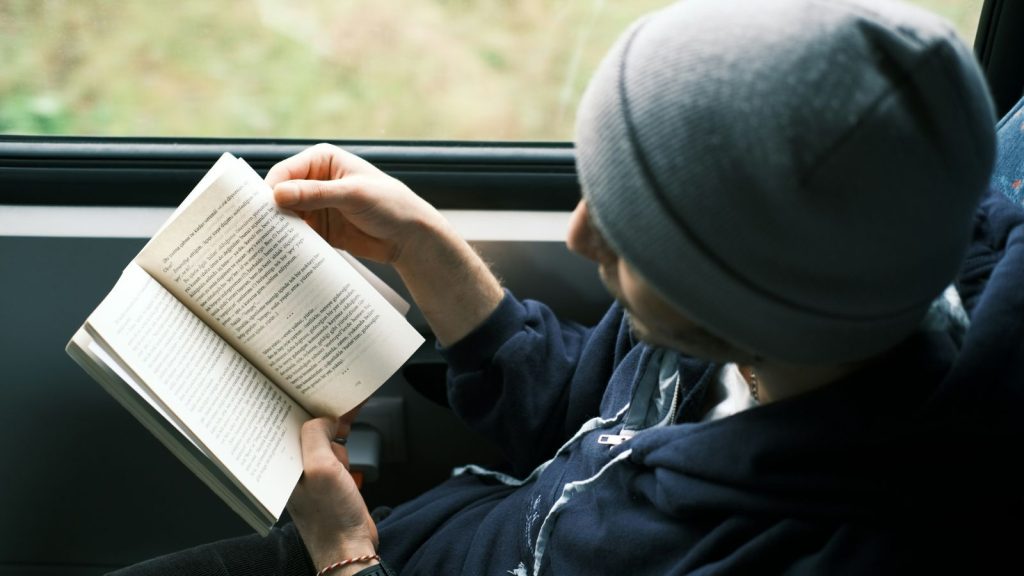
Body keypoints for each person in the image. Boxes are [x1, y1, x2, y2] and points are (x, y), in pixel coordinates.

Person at [113, 0, 1024, 574]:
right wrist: (431, 251)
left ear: (746, 307)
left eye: (633, 244)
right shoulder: (761, 325)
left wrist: (343, 554)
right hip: (445, 531)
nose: (578, 234)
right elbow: (589, 416)